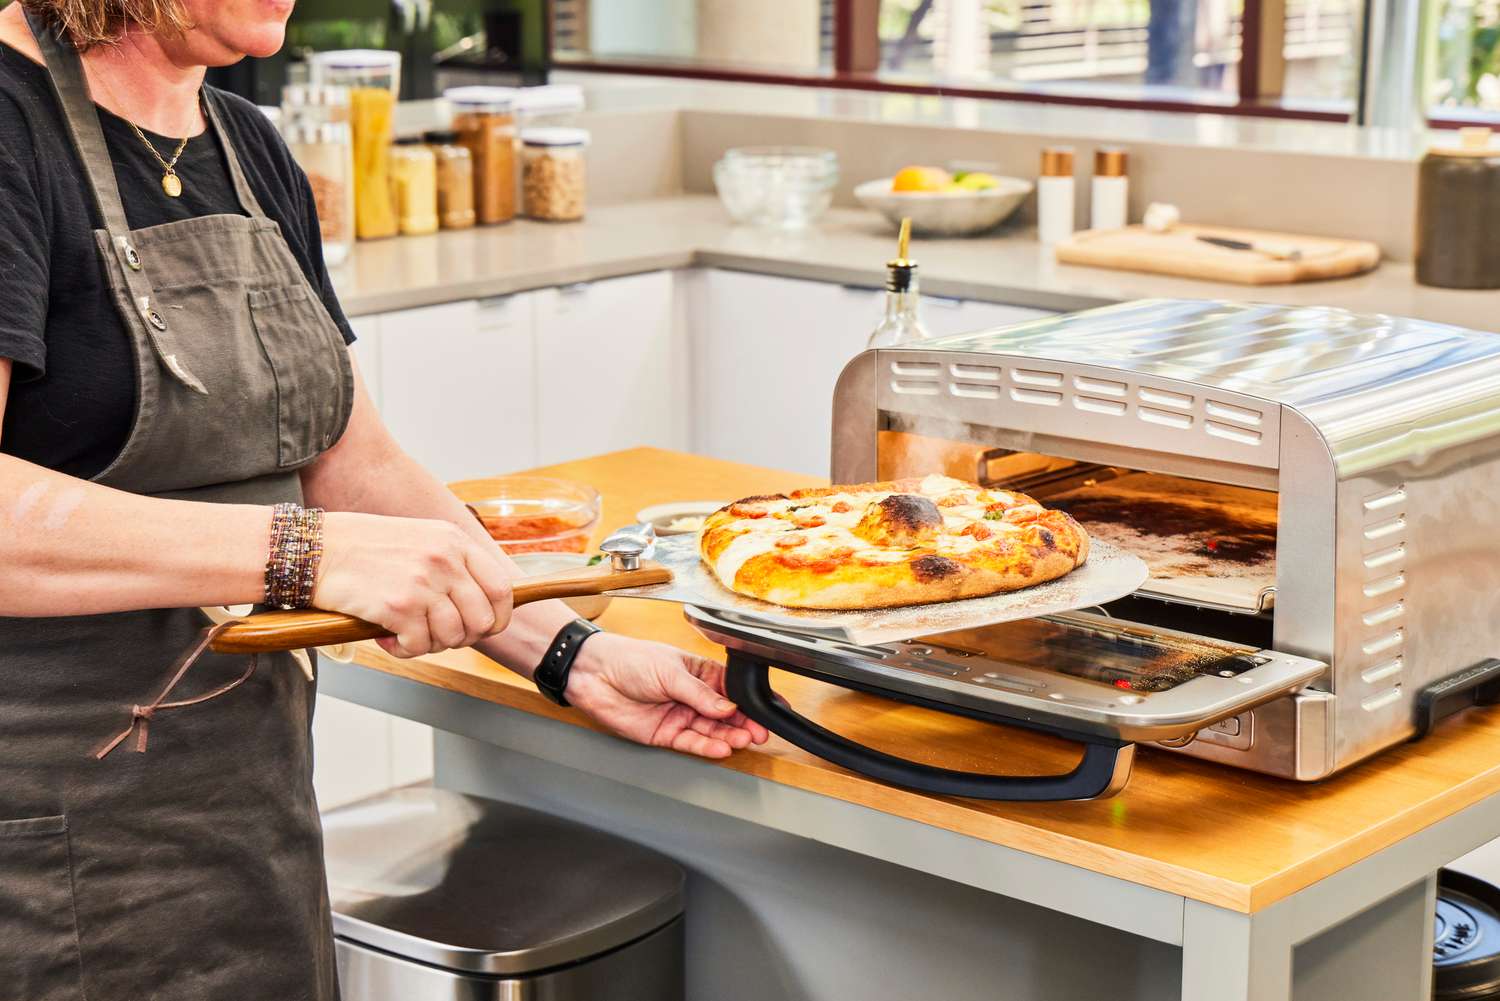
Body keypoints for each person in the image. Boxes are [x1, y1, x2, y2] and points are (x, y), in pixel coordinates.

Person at [0, 2, 767, 997]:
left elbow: (350, 463)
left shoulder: (245, 145)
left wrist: (569, 649)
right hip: (47, 836)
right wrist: (302, 552)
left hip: (248, 801)